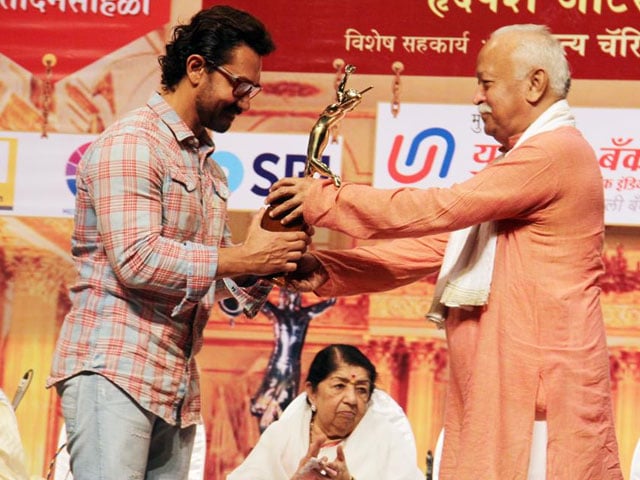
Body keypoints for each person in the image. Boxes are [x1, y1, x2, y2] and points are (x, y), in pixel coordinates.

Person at [265, 24, 624, 479]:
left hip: (540, 400)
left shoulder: (555, 154)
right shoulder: (526, 163)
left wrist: (325, 200)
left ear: (535, 84)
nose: (477, 97)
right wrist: (328, 269)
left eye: (486, 82)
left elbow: (443, 208)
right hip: (507, 389)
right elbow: (432, 248)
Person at [46, 6, 309, 480]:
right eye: (240, 86)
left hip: (176, 382)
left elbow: (225, 285)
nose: (246, 101)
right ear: (196, 68)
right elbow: (138, 261)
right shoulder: (132, 143)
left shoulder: (210, 170)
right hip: (114, 369)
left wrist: (271, 254)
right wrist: (243, 256)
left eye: (253, 90)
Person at [227, 344, 424, 480]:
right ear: (312, 392)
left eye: (362, 390)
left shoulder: (388, 440)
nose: (352, 399)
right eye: (339, 386)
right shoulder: (281, 437)